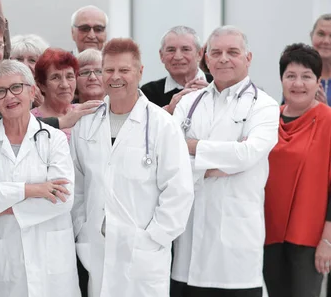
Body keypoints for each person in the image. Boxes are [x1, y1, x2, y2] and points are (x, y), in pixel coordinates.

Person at [70, 38, 194, 296]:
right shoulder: (87, 123)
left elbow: (179, 191)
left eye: (124, 70)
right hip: (98, 247)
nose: (116, 77)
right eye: (109, 70)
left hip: (143, 254)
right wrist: (82, 228)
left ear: (140, 72)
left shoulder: (162, 125)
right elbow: (77, 185)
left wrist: (153, 238)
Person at [171, 26, 279, 297]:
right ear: (206, 59)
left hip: (236, 242)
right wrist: (219, 164)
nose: (223, 59)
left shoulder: (263, 105)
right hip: (189, 239)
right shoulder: (189, 104)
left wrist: (194, 148)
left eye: (233, 52)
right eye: (216, 53)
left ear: (248, 58)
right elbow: (171, 156)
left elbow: (248, 154)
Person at [0, 60, 80, 297]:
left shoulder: (54, 139)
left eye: (17, 87)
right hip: (6, 268)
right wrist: (32, 190)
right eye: (0, 91)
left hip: (52, 267)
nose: (10, 96)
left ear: (32, 91)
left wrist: (5, 208)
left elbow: (64, 199)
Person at [263, 43, 331, 297]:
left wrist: (328, 241)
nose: (298, 84)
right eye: (290, 76)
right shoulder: (268, 119)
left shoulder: (328, 120)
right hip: (269, 233)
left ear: (318, 82)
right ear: (281, 80)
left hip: (310, 238)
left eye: (306, 77)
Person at [140, 26, 212, 113]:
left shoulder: (219, 85)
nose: (178, 57)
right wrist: (169, 112)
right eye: (171, 50)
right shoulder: (148, 93)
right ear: (161, 55)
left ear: (200, 54)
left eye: (185, 49)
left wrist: (215, 97)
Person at [31, 48, 78, 140]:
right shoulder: (30, 120)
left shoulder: (84, 114)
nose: (64, 85)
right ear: (41, 85)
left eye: (70, 77)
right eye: (55, 78)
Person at [10, 34, 49, 107]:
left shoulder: (52, 90)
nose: (25, 65)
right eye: (19, 59)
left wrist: (42, 104)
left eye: (32, 60)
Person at [310, 14, 331, 105]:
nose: (326, 41)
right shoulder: (298, 76)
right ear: (311, 36)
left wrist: (325, 111)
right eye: (321, 34)